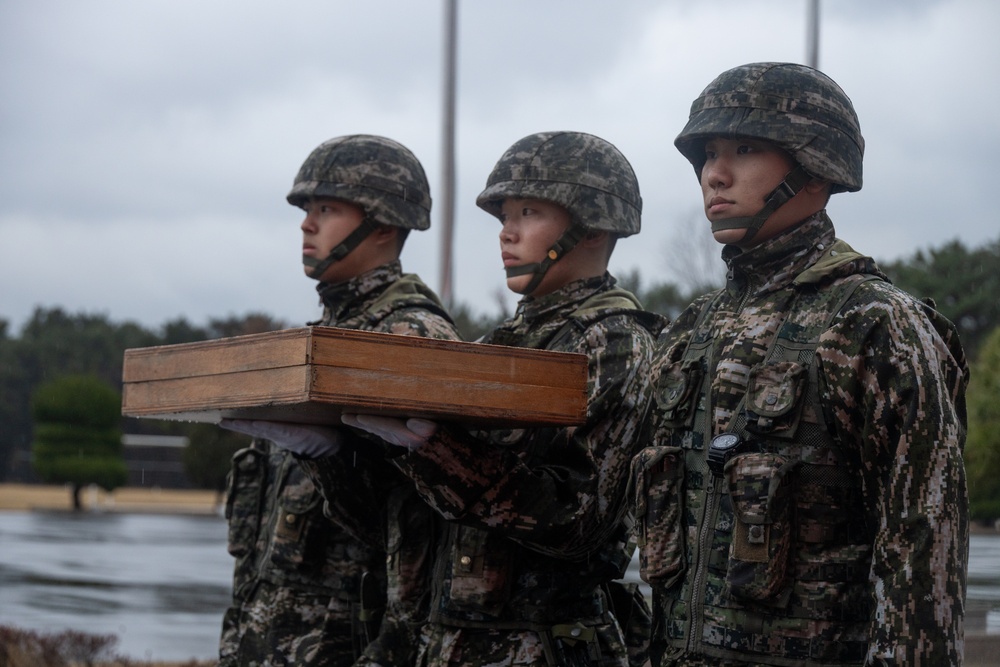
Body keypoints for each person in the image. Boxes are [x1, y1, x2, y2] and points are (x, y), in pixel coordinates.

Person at [630, 62, 969, 666]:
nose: (715, 173)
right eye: (708, 152)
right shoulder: (689, 332)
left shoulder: (875, 325)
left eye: (745, 148)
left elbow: (922, 557)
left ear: (815, 167)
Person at [342, 130, 667, 667]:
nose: (507, 234)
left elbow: (578, 522)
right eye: (503, 218)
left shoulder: (616, 343)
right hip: (455, 642)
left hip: (543, 646)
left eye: (529, 213)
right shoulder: (505, 342)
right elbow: (409, 528)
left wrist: (435, 448)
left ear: (593, 226)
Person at [217, 134, 461, 667]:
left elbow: (421, 534)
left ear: (385, 224)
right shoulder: (326, 337)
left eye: (326, 208)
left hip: (342, 643)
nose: (307, 223)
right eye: (308, 209)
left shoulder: (409, 339)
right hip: (269, 642)